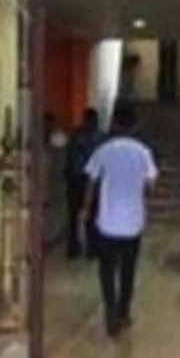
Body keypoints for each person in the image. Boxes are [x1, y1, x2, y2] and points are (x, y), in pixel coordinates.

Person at [82, 102, 157, 336]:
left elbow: (91, 183)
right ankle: (124, 312)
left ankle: (110, 314)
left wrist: (85, 209)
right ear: (135, 124)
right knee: (128, 270)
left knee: (106, 270)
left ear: (114, 123)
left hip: (107, 222)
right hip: (133, 223)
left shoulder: (103, 150)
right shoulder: (143, 153)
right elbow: (151, 185)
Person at [64, 106, 102, 260]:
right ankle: (90, 249)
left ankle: (75, 248)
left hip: (77, 179)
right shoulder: (99, 138)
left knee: (76, 215)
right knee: (91, 216)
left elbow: (70, 159)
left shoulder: (76, 136)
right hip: (90, 180)